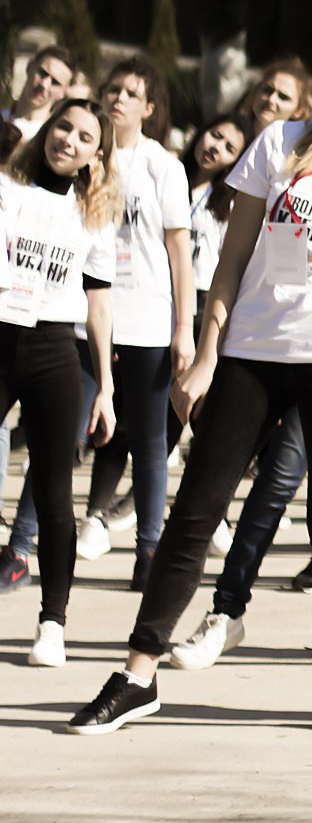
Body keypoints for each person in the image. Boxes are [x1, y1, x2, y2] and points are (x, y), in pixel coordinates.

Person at [68, 42, 312, 735]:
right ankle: (137, 674)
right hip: (251, 351)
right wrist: (207, 354)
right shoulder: (281, 141)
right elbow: (233, 258)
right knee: (194, 513)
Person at [2, 100, 120, 665]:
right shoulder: (7, 189)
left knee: (52, 490)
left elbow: (99, 308)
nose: (67, 140)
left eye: (83, 136)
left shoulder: (94, 216)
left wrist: (107, 389)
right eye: (62, 127)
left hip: (54, 350)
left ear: (97, 155)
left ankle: (53, 622)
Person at [73, 62, 195, 590]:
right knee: (66, 436)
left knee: (149, 442)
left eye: (132, 93)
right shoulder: (83, 155)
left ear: (150, 108)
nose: (118, 98)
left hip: (146, 319)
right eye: (113, 89)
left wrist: (183, 329)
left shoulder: (162, 166)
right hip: (80, 316)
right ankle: (25, 542)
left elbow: (179, 253)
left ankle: (149, 551)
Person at [7, 46, 76, 137]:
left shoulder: (50, 140)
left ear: (64, 92)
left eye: (55, 82)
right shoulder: (3, 117)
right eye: (42, 73)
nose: (44, 85)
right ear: (29, 66)